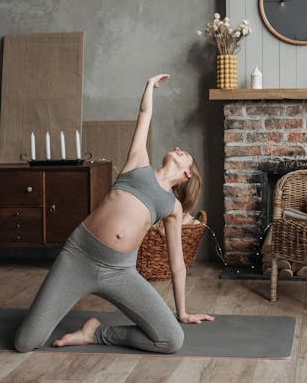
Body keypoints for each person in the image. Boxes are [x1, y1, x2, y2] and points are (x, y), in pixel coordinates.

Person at [14, 74, 213, 354]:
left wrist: (182, 312)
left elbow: (177, 264)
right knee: (25, 343)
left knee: (172, 339)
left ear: (187, 174)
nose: (178, 149)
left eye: (185, 154)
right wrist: (148, 87)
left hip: (119, 271)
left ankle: (96, 334)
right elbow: (145, 114)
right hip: (79, 255)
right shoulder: (138, 163)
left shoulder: (173, 207)